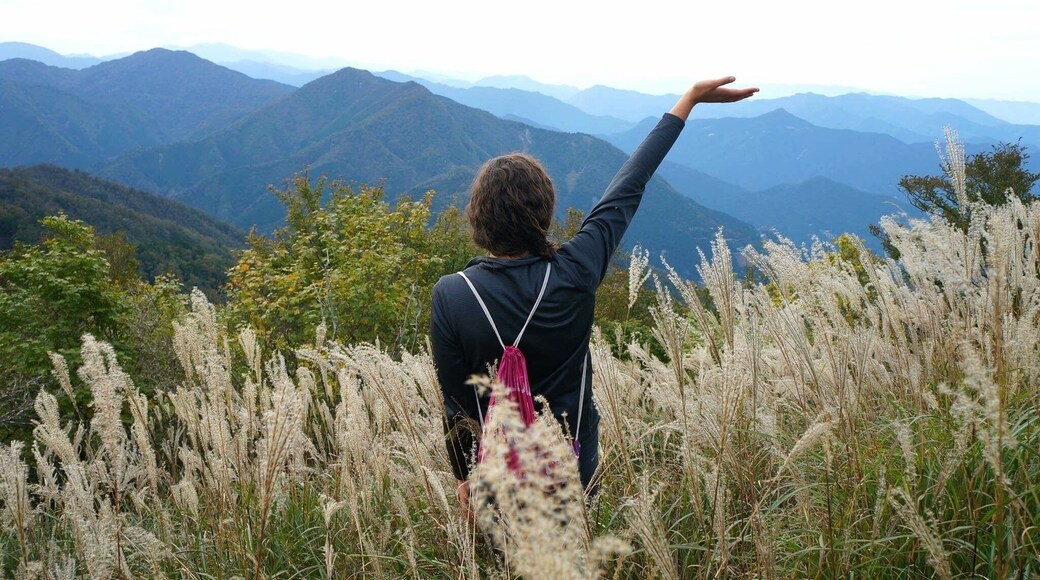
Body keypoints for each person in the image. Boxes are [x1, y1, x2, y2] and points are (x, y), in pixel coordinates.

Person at [431, 76, 759, 522]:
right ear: (544, 212)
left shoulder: (452, 294)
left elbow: (458, 406)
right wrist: (689, 100)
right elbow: (629, 183)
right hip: (573, 467)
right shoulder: (577, 270)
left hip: (496, 481)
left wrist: (464, 476)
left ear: (477, 217)